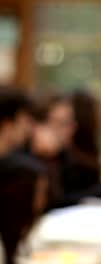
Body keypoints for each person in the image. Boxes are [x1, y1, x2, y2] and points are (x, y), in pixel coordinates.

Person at [0, 88, 47, 264]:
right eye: (23, 120)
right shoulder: (23, 174)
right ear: (7, 124)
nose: (28, 128)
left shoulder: (19, 161)